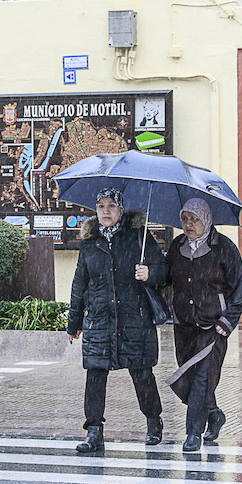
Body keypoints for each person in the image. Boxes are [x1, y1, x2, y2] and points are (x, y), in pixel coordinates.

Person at [66, 188, 168, 453]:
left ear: (121, 209)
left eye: (112, 205)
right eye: (101, 206)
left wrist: (150, 273)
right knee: (95, 376)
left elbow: (164, 272)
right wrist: (74, 322)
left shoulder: (139, 238)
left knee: (142, 373)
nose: (106, 211)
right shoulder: (90, 244)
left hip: (134, 318)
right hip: (100, 320)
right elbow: (79, 284)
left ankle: (153, 422)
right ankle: (94, 432)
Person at [165, 199, 242, 452]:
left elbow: (240, 286)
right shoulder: (176, 247)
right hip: (184, 327)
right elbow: (166, 280)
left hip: (213, 327)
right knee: (190, 379)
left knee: (202, 379)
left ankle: (193, 434)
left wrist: (228, 319)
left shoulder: (224, 248)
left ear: (206, 219)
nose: (188, 224)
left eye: (194, 219)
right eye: (185, 218)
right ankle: (214, 414)